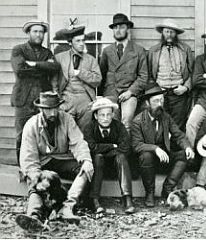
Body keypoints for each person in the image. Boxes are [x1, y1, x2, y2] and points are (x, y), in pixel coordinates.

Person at [16, 91, 94, 231]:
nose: (52, 113)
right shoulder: (31, 125)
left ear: (59, 107)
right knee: (37, 182)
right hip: (41, 163)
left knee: (86, 170)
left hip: (62, 159)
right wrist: (38, 179)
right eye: (48, 109)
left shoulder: (67, 119)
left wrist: (86, 160)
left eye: (55, 109)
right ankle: (34, 216)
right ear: (41, 109)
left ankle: (67, 207)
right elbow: (29, 159)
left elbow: (78, 142)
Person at [130, 86, 195, 207]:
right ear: (147, 103)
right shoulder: (137, 121)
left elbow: (178, 134)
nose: (160, 104)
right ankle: (149, 193)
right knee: (146, 155)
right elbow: (136, 145)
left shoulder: (165, 117)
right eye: (155, 101)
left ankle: (167, 188)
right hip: (146, 164)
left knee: (184, 155)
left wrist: (187, 147)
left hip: (164, 158)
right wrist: (155, 148)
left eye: (162, 100)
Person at [11, 19, 60, 166]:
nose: (39, 35)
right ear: (29, 33)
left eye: (41, 32)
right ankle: (23, 169)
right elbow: (19, 70)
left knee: (42, 134)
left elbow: (55, 68)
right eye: (35, 31)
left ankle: (38, 169)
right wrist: (44, 67)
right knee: (22, 135)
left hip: (42, 102)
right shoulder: (18, 49)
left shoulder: (47, 52)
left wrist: (33, 64)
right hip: (23, 100)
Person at [82, 97, 134, 214]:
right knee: (98, 157)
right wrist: (112, 146)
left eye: (108, 115)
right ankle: (95, 200)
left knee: (120, 157)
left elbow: (125, 147)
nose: (105, 118)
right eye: (102, 115)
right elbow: (91, 147)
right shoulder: (89, 128)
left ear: (112, 115)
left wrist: (104, 150)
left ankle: (127, 198)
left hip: (115, 167)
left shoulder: (119, 126)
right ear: (96, 116)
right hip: (97, 167)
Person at [100, 13, 149, 132]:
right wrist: (100, 95)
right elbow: (101, 75)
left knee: (126, 120)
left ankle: (125, 150)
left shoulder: (138, 50)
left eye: (121, 27)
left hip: (129, 93)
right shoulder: (107, 51)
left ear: (128, 28)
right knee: (111, 121)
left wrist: (130, 92)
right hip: (111, 92)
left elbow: (143, 76)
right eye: (115, 27)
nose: (118, 30)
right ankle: (113, 149)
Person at [148, 19, 193, 132]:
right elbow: (148, 74)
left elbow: (193, 72)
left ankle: (175, 148)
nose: (169, 34)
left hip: (179, 93)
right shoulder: (153, 51)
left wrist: (186, 87)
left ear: (176, 34)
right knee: (160, 123)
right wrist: (156, 90)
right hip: (160, 92)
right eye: (166, 31)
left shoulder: (185, 49)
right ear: (162, 33)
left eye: (172, 32)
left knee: (178, 124)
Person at [53, 25, 102, 130]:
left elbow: (98, 80)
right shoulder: (59, 58)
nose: (81, 44)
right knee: (65, 131)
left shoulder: (90, 59)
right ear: (70, 42)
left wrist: (80, 73)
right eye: (78, 41)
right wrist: (57, 98)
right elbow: (54, 81)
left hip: (85, 100)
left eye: (83, 40)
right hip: (66, 99)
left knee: (84, 133)